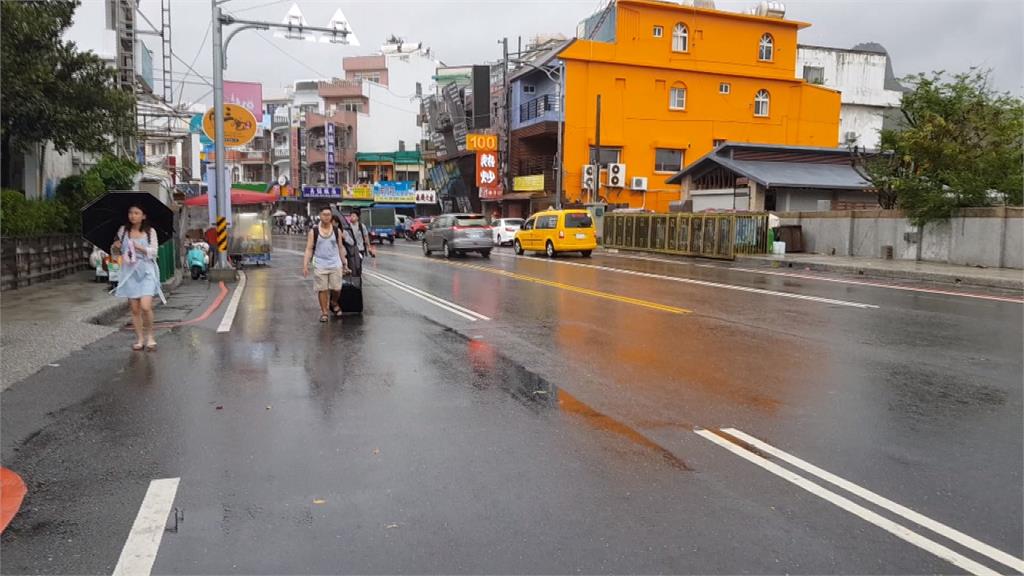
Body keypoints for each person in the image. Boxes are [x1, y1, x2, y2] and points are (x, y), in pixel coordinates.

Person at [112, 205, 166, 351]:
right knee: (135, 309)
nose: (133, 216)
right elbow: (116, 253)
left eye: (136, 213)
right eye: (130, 212)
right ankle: (140, 338)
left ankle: (150, 336)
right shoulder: (123, 231)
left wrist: (139, 248)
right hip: (129, 272)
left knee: (145, 306)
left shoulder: (150, 232)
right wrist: (116, 247)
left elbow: (154, 252)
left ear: (143, 216)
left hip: (147, 271)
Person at [303, 206, 349, 322]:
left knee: (337, 288)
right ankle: (324, 312)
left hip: (335, 263)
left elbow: (340, 247)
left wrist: (344, 263)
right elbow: (309, 249)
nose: (327, 217)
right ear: (320, 215)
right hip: (320, 264)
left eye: (329, 215)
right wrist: (305, 264)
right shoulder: (314, 231)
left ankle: (333, 302)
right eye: (324, 214)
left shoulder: (336, 230)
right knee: (322, 289)